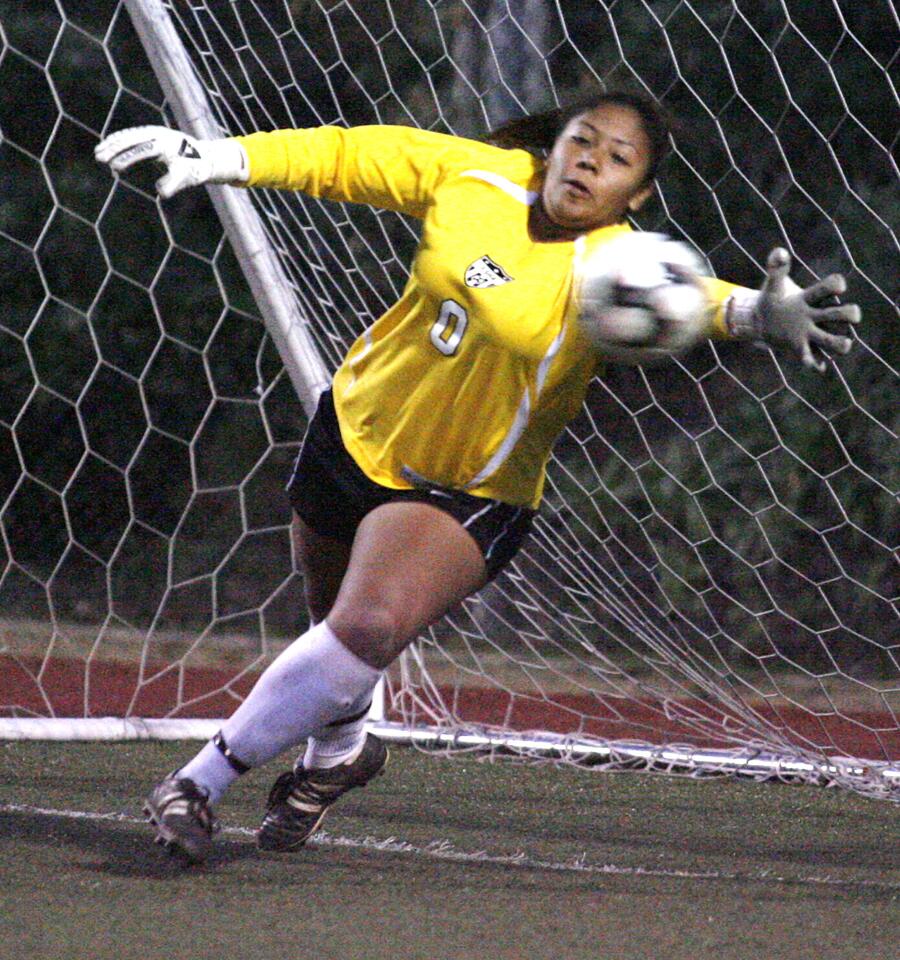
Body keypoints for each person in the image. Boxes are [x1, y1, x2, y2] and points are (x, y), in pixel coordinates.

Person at [94, 91, 860, 864]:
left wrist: (760, 314)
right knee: (340, 642)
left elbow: (692, 300)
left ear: (639, 194)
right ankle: (343, 754)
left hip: (465, 490)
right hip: (355, 431)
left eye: (618, 158)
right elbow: (353, 156)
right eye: (583, 141)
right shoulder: (480, 178)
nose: (592, 159)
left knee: (366, 627)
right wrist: (223, 157)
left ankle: (196, 783)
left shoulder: (616, 269)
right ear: (554, 146)